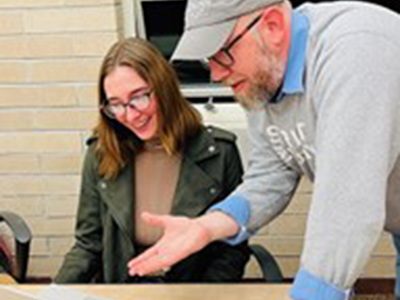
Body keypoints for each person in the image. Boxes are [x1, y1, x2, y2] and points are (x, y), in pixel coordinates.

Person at [126, 0, 400, 299]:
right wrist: (206, 227)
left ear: (271, 26)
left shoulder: (357, 51)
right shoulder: (264, 77)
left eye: (222, 53)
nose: (216, 74)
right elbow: (271, 171)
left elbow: (348, 201)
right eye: (209, 60)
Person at [54, 37, 250, 283]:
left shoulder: (219, 152)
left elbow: (230, 252)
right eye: (116, 104)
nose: (129, 114)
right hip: (124, 290)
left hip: (189, 291)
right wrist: (56, 292)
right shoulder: (102, 153)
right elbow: (88, 245)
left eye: (138, 97)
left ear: (164, 87)